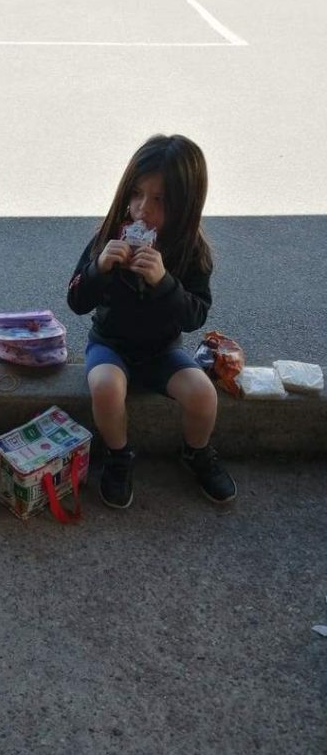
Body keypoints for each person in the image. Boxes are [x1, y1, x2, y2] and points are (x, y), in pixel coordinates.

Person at [67, 134, 236, 510]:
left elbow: (195, 316)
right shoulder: (108, 238)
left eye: (159, 200)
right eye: (137, 194)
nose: (142, 209)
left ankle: (196, 452)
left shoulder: (192, 251)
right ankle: (119, 455)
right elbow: (76, 301)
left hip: (162, 351)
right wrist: (98, 269)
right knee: (106, 387)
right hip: (109, 344)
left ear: (186, 204)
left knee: (203, 394)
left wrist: (165, 283)